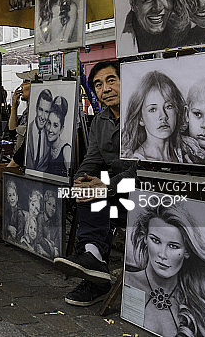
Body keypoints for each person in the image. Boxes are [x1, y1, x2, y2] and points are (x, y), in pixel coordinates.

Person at [54, 60, 136, 306]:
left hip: (144, 191)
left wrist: (106, 186)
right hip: (115, 194)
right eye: (99, 85)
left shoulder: (143, 115)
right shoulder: (99, 121)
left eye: (111, 80)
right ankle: (93, 260)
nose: (106, 89)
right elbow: (92, 159)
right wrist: (81, 181)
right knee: (88, 192)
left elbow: (146, 169)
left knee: (99, 195)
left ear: (126, 81)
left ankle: (94, 270)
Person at [124, 203, 205, 337]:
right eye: (155, 240)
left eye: (173, 246)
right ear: (145, 238)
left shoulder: (197, 301)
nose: (162, 255)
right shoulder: (127, 281)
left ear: (187, 251)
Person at [0, 75, 34, 241]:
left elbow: (28, 146)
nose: (21, 86)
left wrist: (12, 164)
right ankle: (0, 219)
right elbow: (12, 133)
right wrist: (14, 108)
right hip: (22, 163)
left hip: (28, 165)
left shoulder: (37, 111)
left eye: (25, 82)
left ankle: (2, 220)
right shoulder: (26, 111)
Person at [122, 70, 185, 163]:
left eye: (169, 106)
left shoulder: (184, 154)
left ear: (177, 111)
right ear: (141, 119)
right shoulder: (136, 161)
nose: (163, 116)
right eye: (152, 109)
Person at [40, 96, 71, 177]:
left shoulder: (66, 149)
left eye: (55, 125)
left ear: (61, 129)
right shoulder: (46, 148)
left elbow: (71, 178)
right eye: (49, 123)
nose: (50, 129)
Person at [25, 88, 53, 171]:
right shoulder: (27, 130)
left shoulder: (50, 135)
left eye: (47, 112)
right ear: (36, 108)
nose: (43, 116)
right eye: (41, 110)